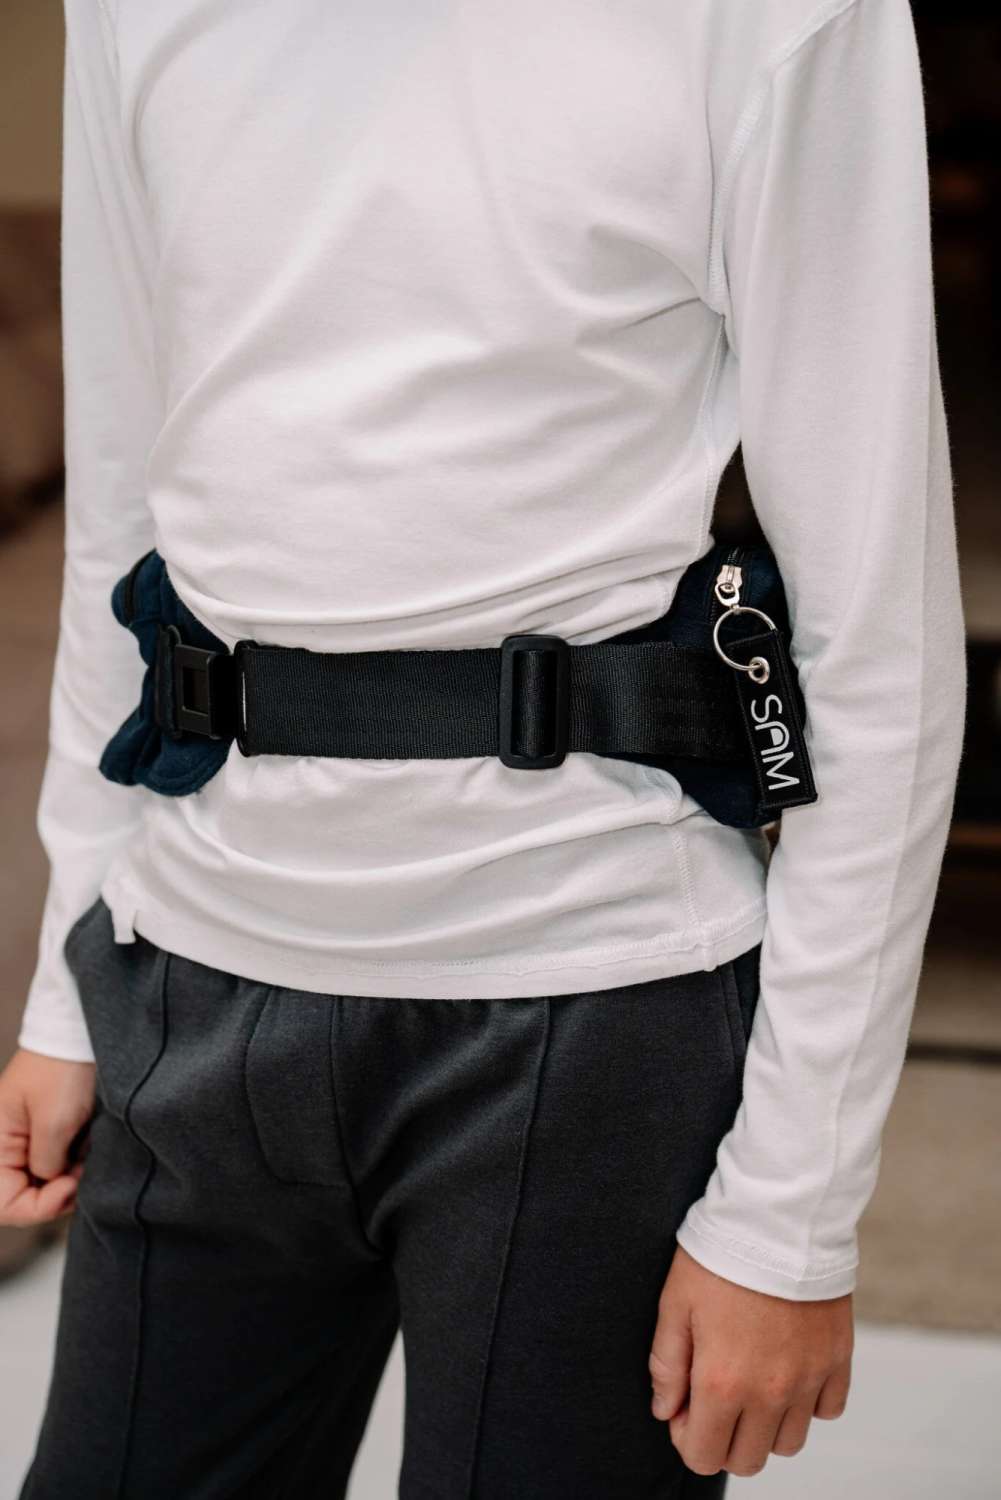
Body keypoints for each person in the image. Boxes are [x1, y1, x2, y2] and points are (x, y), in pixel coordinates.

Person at [1, 0, 965, 1494]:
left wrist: (790, 1211)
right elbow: (122, 525)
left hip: (592, 1015)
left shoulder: (776, 14)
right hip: (190, 978)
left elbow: (874, 643)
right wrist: (70, 993)